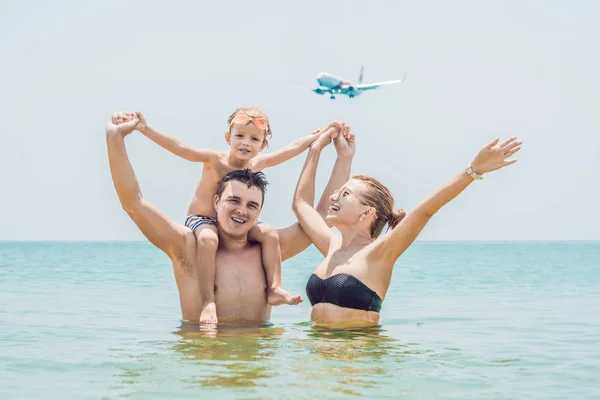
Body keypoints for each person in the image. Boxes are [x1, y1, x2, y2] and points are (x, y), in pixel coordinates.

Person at [105, 112, 350, 325]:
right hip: (204, 368)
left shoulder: (269, 250)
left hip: (258, 375)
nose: (242, 211)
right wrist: (115, 138)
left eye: (252, 205)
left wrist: (343, 157)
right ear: (215, 202)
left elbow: (321, 219)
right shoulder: (187, 247)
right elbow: (134, 203)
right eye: (233, 201)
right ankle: (207, 302)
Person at [293, 126, 522, 326]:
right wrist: (315, 151)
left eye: (345, 194)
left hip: (357, 365)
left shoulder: (380, 252)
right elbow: (301, 205)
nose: (333, 198)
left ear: (367, 212)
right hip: (320, 361)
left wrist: (473, 170)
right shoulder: (332, 246)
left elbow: (425, 210)